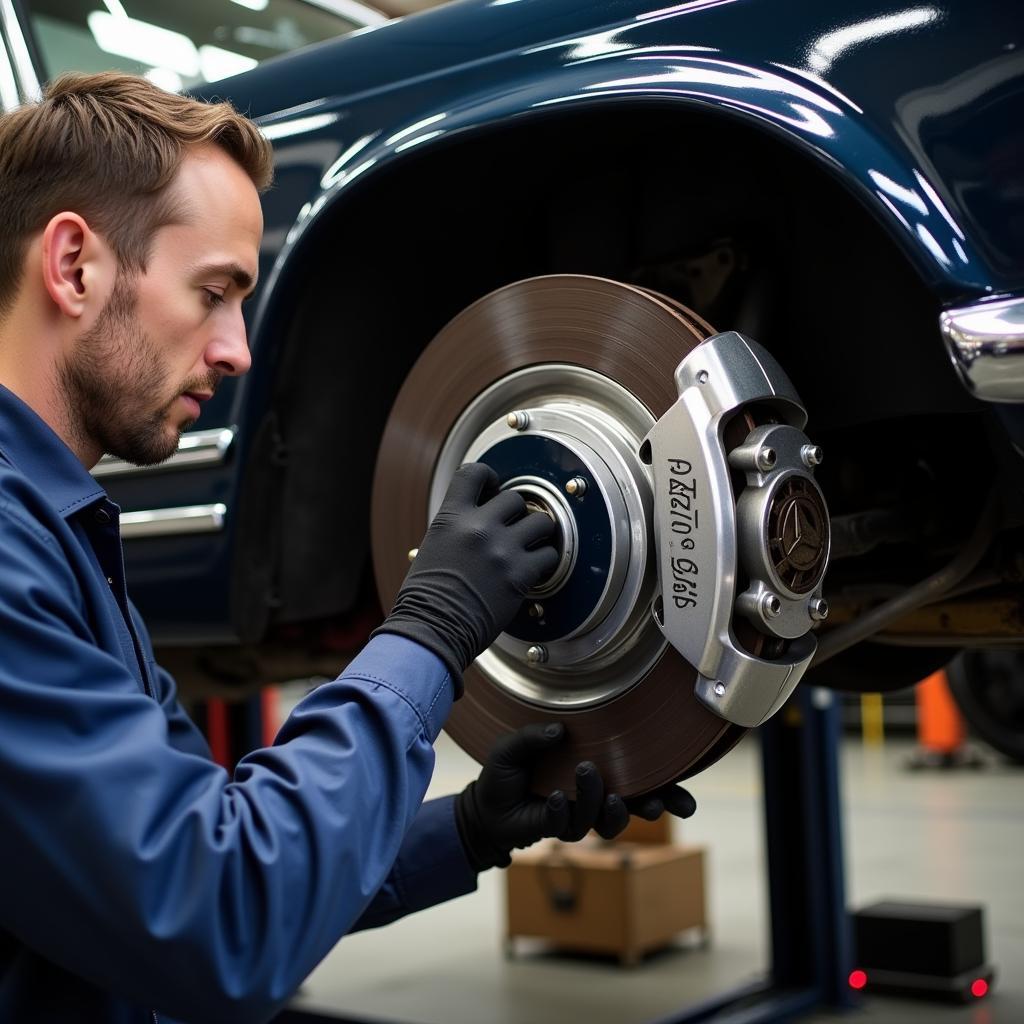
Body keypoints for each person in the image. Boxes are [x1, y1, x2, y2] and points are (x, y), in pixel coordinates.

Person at [0, 72, 694, 1023]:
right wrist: (428, 633)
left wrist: (467, 830)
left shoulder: (57, 533)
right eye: (213, 293)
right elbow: (218, 918)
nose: (238, 349)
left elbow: (219, 851)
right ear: (75, 265)